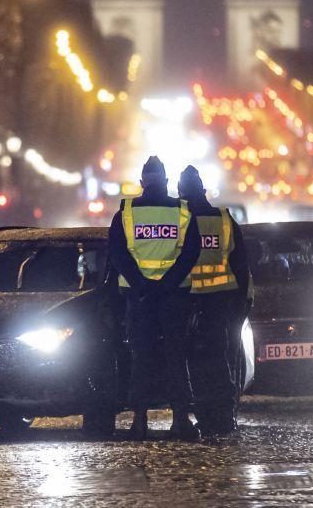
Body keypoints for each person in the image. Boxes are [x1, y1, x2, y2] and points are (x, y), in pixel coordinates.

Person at [109, 156, 202, 441]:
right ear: (165, 182)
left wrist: (141, 285)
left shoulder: (124, 213)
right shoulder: (184, 212)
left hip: (139, 299)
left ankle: (139, 421)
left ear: (141, 183)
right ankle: (180, 419)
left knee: (141, 359)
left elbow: (118, 254)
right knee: (176, 356)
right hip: (174, 298)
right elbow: (191, 253)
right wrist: (167, 284)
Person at [177, 165, 251, 436]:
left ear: (181, 193)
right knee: (222, 362)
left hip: (188, 303)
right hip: (221, 303)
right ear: (204, 190)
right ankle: (225, 418)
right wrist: (241, 303)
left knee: (193, 366)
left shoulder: (182, 222)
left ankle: (205, 418)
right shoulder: (224, 219)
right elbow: (240, 265)